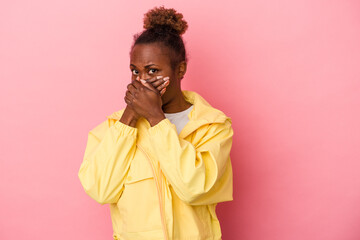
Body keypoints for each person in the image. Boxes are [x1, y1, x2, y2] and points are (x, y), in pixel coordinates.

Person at [78, 6, 234, 240]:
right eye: (135, 71)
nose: (141, 81)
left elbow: (194, 187)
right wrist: (130, 116)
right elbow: (101, 190)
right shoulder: (114, 128)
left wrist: (155, 118)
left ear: (180, 69)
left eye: (152, 70)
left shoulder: (212, 126)